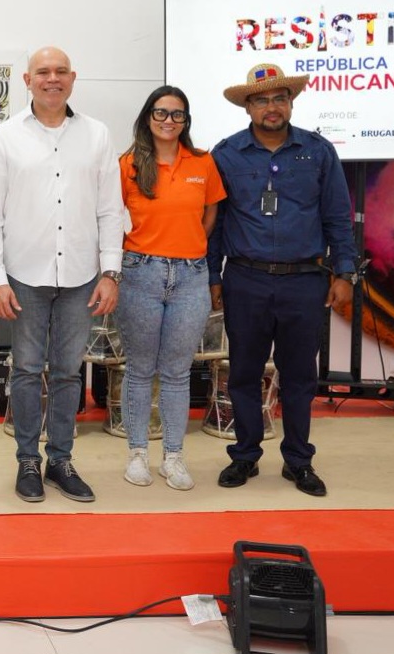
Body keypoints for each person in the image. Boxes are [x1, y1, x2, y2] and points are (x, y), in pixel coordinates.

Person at [0, 46, 123, 503]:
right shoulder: (3, 138)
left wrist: (110, 271)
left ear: (73, 79)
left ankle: (61, 459)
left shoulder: (97, 136)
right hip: (24, 276)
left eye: (60, 71)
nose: (52, 78)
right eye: (43, 72)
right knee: (25, 371)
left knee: (66, 373)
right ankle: (27, 463)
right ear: (27, 79)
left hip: (81, 274)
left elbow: (110, 209)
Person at [208, 63, 356, 497]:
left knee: (298, 377)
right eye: (261, 100)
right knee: (244, 373)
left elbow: (337, 218)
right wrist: (212, 278)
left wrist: (344, 272)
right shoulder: (226, 154)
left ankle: (298, 461)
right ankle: (245, 456)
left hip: (304, 281)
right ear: (247, 107)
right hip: (245, 280)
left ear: (291, 102)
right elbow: (215, 224)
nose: (271, 107)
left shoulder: (318, 151)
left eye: (279, 98)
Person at [115, 86, 226, 491]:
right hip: (140, 273)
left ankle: (174, 457)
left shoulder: (202, 162)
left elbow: (211, 211)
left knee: (178, 372)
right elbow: (111, 217)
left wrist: (190, 245)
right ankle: (138, 454)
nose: (168, 120)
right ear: (148, 117)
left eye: (177, 115)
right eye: (161, 113)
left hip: (191, 276)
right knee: (141, 369)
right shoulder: (127, 165)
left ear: (186, 121)